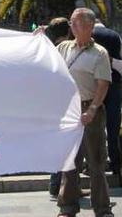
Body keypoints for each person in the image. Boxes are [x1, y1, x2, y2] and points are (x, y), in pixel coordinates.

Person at [56, 8, 113, 217]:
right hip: (68, 110)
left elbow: (103, 85)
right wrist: (38, 39)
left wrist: (92, 109)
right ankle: (67, 207)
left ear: (89, 26)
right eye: (71, 22)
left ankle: (103, 208)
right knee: (69, 161)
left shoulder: (99, 53)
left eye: (76, 23)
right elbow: (44, 60)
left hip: (90, 108)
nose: (72, 26)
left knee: (96, 161)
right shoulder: (63, 47)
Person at [93, 19, 122, 185]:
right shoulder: (115, 36)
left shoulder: (86, 36)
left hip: (93, 87)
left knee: (94, 128)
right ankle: (116, 164)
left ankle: (95, 163)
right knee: (113, 127)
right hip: (113, 85)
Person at [46, 17, 74, 199]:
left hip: (54, 106)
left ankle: (56, 185)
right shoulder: (68, 50)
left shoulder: (47, 50)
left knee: (61, 147)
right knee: (69, 148)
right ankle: (61, 186)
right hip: (68, 106)